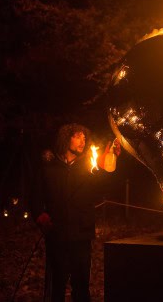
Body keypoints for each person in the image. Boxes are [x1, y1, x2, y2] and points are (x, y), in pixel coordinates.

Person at [32, 123, 120, 302]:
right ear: (66, 139)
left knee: (81, 285)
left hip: (81, 234)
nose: (83, 140)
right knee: (56, 284)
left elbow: (105, 182)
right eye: (77, 136)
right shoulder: (50, 167)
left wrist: (110, 157)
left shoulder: (88, 166)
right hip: (57, 233)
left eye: (84, 137)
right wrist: (40, 216)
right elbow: (35, 196)